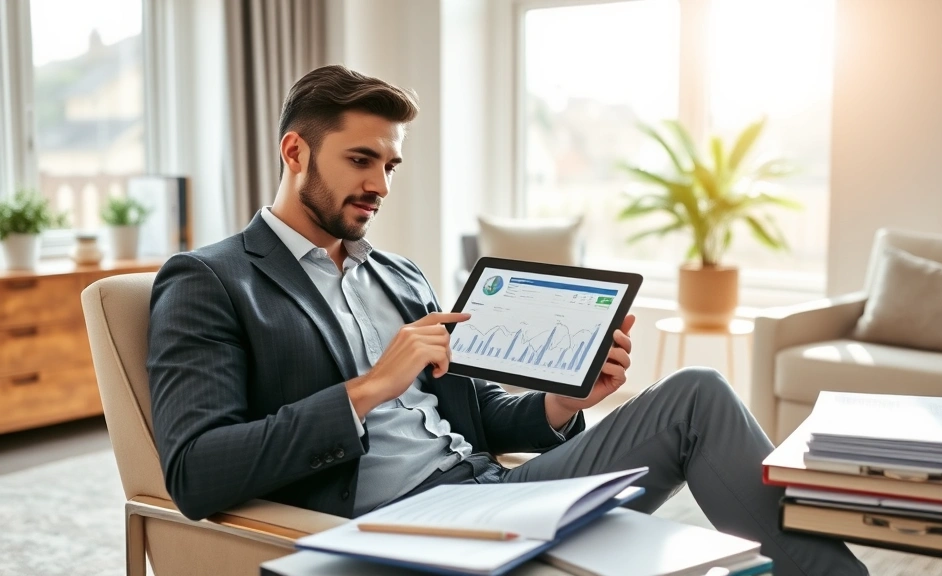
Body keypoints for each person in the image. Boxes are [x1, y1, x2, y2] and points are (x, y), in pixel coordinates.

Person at [147, 64, 867, 576]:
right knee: (702, 400)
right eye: (361, 159)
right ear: (294, 151)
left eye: (391, 165)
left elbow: (474, 410)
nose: (379, 185)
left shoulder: (398, 275)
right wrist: (368, 390)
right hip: (402, 522)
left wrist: (561, 406)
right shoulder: (212, 280)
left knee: (694, 394)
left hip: (487, 491)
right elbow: (196, 472)